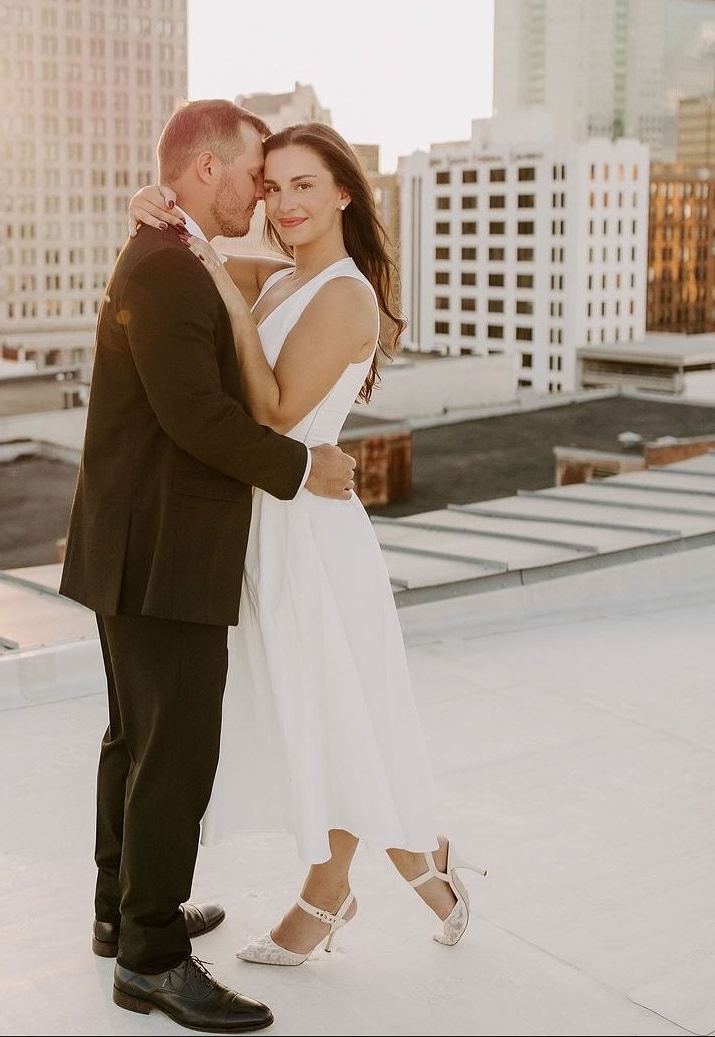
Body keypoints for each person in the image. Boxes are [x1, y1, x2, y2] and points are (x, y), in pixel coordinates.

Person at [128, 121, 486, 969]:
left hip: (314, 540)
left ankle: (332, 893)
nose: (283, 203)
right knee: (308, 716)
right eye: (274, 185)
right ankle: (414, 861)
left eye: (303, 186)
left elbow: (278, 412)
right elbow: (189, 248)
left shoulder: (345, 293)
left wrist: (221, 277)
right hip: (269, 525)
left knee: (330, 712)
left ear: (343, 195)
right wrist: (152, 207)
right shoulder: (284, 275)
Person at [59, 100, 358, 1033]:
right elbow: (199, 419)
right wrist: (307, 467)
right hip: (163, 554)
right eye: (254, 174)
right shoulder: (169, 265)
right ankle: (152, 958)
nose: (261, 193)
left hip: (132, 546)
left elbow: (278, 277)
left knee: (135, 743)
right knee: (175, 755)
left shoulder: (173, 253)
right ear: (205, 171)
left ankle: (124, 912)